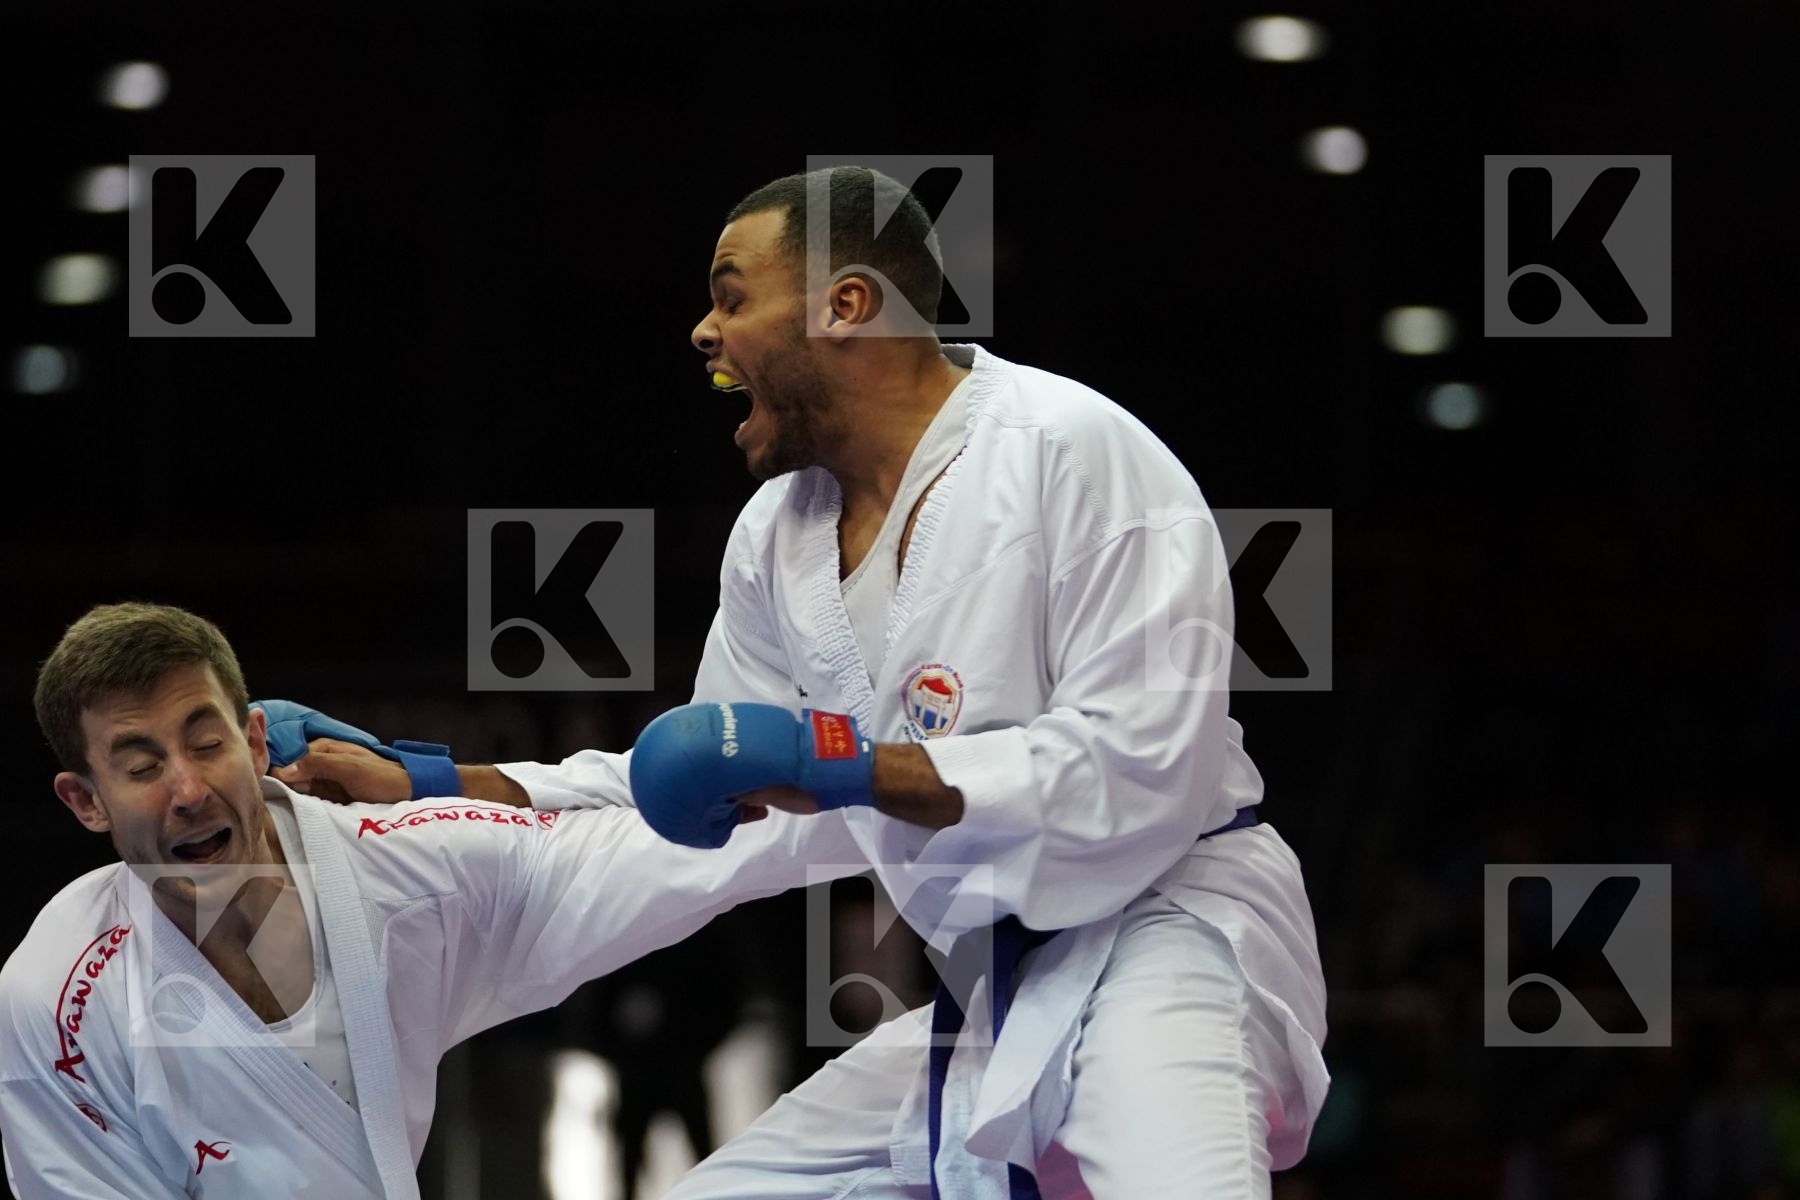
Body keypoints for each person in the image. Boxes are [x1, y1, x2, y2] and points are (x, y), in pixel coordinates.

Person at [279, 165, 1332, 1198]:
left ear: (848, 305)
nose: (703, 331)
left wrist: (849, 765)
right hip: (993, 993)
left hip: (1167, 940)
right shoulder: (777, 541)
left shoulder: (1075, 454)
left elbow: (1138, 767)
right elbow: (707, 800)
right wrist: (438, 785)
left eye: (732, 296)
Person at [0, 602, 863, 1199]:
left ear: (254, 741)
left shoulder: (410, 868)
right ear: (85, 800)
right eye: (143, 766)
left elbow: (692, 840)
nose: (188, 788)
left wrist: (893, 784)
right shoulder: (60, 998)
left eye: (206, 742)